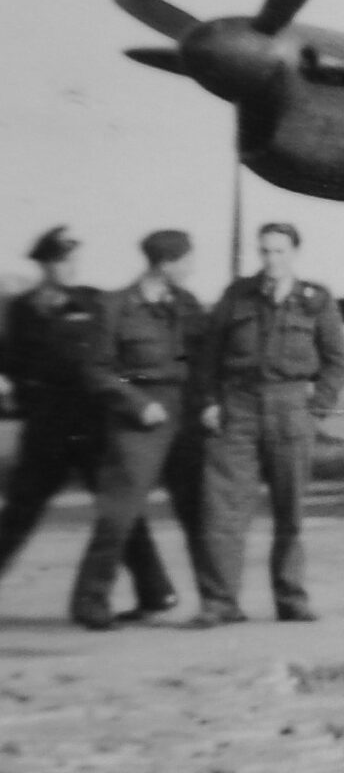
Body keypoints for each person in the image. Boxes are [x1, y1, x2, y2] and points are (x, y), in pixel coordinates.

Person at [0, 227, 175, 615]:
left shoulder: (94, 300)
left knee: (119, 509)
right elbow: (10, 360)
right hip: (46, 426)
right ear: (44, 265)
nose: (69, 267)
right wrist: (31, 398)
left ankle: (155, 591)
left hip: (92, 424)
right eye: (60, 261)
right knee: (19, 510)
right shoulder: (22, 308)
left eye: (72, 259)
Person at [192, 222, 344, 624]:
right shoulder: (236, 296)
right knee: (223, 509)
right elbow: (207, 357)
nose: (271, 259)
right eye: (265, 251)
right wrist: (209, 402)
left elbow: (338, 361)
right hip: (239, 408)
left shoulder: (315, 300)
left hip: (290, 408)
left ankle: (291, 598)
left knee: (290, 510)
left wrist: (317, 409)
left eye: (279, 251)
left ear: (294, 253)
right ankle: (220, 602)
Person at [71, 230, 213, 629]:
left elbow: (204, 359)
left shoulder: (187, 304)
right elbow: (97, 370)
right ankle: (91, 602)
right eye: (186, 261)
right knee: (119, 513)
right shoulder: (114, 305)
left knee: (198, 511)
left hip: (185, 413)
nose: (191, 269)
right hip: (140, 417)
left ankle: (216, 600)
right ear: (164, 264)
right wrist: (137, 404)